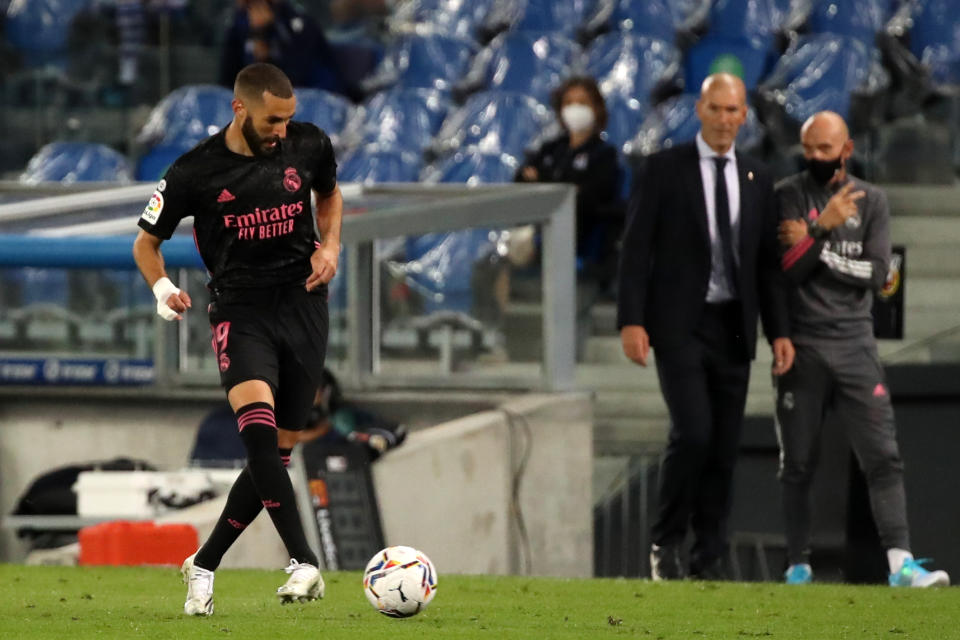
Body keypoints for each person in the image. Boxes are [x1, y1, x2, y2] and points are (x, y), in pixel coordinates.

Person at [132, 62, 343, 615]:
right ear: (240, 109)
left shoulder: (308, 145)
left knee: (276, 454)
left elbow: (330, 195)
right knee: (258, 435)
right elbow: (145, 245)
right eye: (273, 120)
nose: (282, 130)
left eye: (289, 119)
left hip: (303, 305)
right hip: (240, 309)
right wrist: (161, 289)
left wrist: (331, 246)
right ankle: (304, 561)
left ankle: (202, 564)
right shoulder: (194, 172)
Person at [617, 73, 794, 580]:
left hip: (735, 324)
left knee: (724, 443)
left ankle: (708, 556)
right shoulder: (663, 170)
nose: (723, 120)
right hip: (679, 323)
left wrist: (780, 331)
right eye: (715, 109)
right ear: (699, 109)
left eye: (732, 111)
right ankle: (666, 542)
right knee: (693, 432)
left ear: (744, 116)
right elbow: (635, 251)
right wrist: (632, 320)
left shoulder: (760, 177)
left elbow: (767, 264)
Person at [775, 111, 949, 587]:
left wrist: (817, 238)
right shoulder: (788, 193)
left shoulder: (872, 201)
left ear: (846, 150)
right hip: (804, 345)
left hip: (855, 344)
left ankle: (901, 564)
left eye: (824, 150)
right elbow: (787, 269)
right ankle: (797, 564)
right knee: (798, 461)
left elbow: (877, 276)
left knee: (883, 457)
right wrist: (819, 232)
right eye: (808, 149)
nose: (814, 158)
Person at [516, 76, 621, 357]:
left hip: (585, 247)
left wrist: (546, 182)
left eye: (583, 103)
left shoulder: (604, 154)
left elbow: (591, 195)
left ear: (597, 109)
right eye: (569, 103)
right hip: (545, 243)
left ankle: (568, 365)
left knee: (571, 316)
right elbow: (522, 179)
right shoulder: (552, 149)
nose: (575, 109)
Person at [219, 0, 346, 96]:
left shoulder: (299, 25)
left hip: (314, 103)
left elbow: (293, 77)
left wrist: (265, 48)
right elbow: (227, 80)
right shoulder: (239, 25)